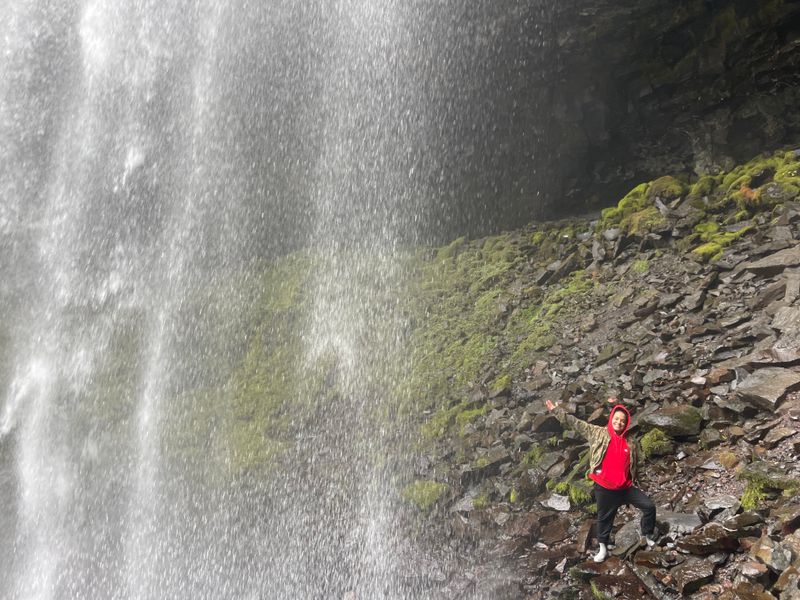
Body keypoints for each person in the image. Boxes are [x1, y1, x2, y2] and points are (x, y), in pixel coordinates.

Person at [545, 397, 656, 563]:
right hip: (605, 487)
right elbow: (576, 423)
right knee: (605, 518)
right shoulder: (597, 433)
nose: (619, 422)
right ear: (611, 419)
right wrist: (556, 411)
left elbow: (638, 464)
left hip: (625, 488)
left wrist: (643, 483)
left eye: (622, 420)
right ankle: (603, 548)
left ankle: (647, 534)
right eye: (616, 419)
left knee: (649, 507)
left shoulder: (631, 441)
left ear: (626, 423)